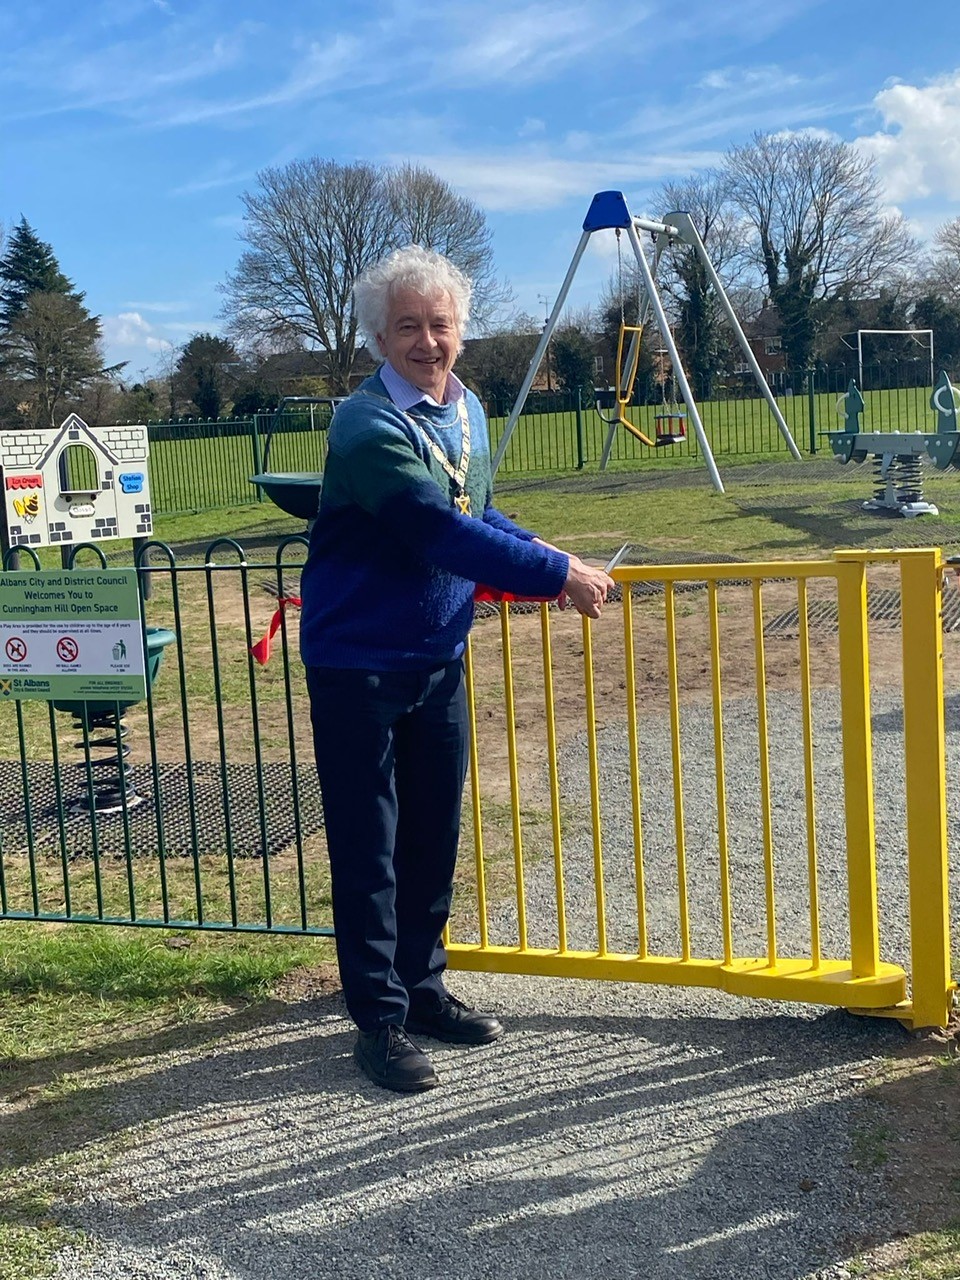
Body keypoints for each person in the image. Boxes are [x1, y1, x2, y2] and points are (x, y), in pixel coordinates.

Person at [300, 245, 613, 1093]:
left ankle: (425, 989)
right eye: (408, 325)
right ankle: (380, 1022)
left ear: (461, 334)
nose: (427, 341)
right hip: (356, 663)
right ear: (378, 336)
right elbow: (433, 530)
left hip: (438, 655)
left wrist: (544, 550)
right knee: (372, 847)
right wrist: (556, 577)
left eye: (440, 325)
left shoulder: (463, 410)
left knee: (433, 833)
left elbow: (476, 511)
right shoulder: (365, 424)